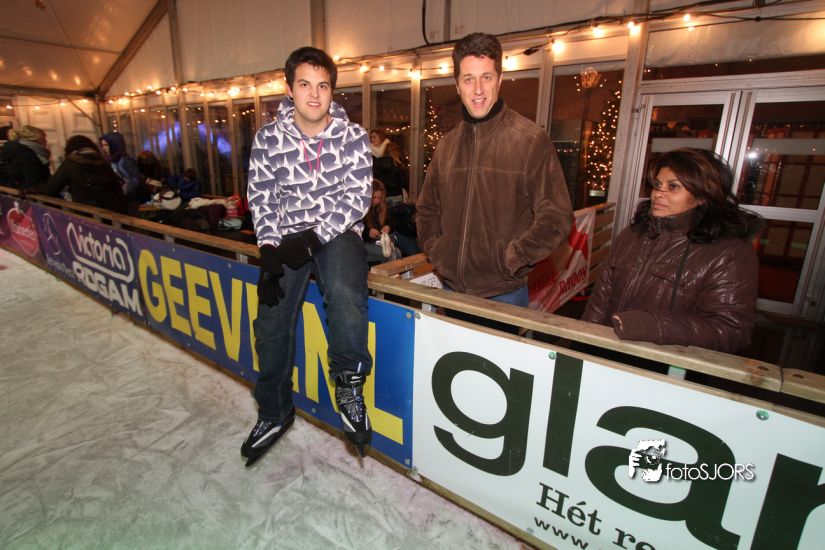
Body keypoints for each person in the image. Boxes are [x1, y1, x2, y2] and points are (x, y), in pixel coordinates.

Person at [244, 46, 373, 466]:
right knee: (271, 320)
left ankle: (349, 385)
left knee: (345, 293)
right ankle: (274, 411)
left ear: (332, 90)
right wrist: (268, 248)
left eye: (323, 86)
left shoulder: (352, 136)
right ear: (289, 88)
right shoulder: (268, 139)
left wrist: (315, 239)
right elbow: (262, 197)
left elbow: (357, 198)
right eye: (305, 84)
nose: (314, 95)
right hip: (285, 236)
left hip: (337, 232)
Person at [416, 32, 573, 308]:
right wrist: (438, 252)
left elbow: (556, 217)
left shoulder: (529, 140)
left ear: (499, 80)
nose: (478, 89)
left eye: (486, 77)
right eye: (468, 79)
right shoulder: (446, 145)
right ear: (457, 85)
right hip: (451, 290)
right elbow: (427, 210)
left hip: (504, 294)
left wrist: (511, 259)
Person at [582, 148, 762, 353]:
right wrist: (583, 342)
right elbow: (600, 300)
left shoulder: (730, 253)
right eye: (657, 185)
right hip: (605, 352)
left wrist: (655, 326)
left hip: (668, 365)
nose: (658, 193)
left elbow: (731, 331)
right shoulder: (633, 234)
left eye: (673, 186)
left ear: (703, 196)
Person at [44, 135, 127, 214]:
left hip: (87, 212)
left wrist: (37, 188)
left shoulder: (70, 164)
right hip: (112, 209)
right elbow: (117, 187)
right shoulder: (102, 161)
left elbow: (51, 188)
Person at [0, 125, 51, 190]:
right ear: (34, 140)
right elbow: (35, 183)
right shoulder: (27, 155)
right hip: (33, 194)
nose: (46, 141)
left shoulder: (17, 151)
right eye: (43, 139)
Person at [361, 180, 399, 264]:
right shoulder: (360, 209)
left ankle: (384, 272)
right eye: (374, 197)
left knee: (397, 252)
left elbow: (392, 221)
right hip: (362, 243)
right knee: (391, 254)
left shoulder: (381, 207)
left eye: (379, 198)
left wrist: (388, 226)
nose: (377, 201)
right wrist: (367, 232)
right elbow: (354, 231)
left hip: (376, 242)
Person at [100, 132, 141, 207]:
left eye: (106, 145)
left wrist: (121, 190)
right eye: (102, 145)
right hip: (118, 200)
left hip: (131, 200)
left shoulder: (126, 161)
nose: (103, 148)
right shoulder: (109, 160)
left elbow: (136, 180)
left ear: (114, 145)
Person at [370, 130, 407, 206]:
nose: (372, 139)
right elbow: (403, 182)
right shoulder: (397, 163)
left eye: (374, 137)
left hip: (381, 195)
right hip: (395, 195)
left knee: (382, 212)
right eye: (371, 137)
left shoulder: (376, 161)